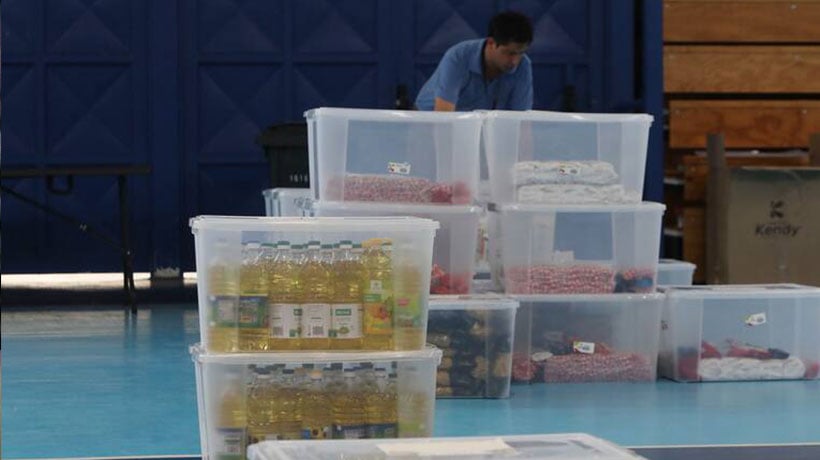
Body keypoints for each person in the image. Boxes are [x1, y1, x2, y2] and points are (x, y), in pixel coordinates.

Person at [415, 11, 533, 112]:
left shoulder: (523, 65)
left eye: (521, 53)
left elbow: (522, 120)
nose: (514, 61)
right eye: (509, 53)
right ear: (491, 43)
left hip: (475, 125)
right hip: (427, 119)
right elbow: (443, 116)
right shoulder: (458, 57)